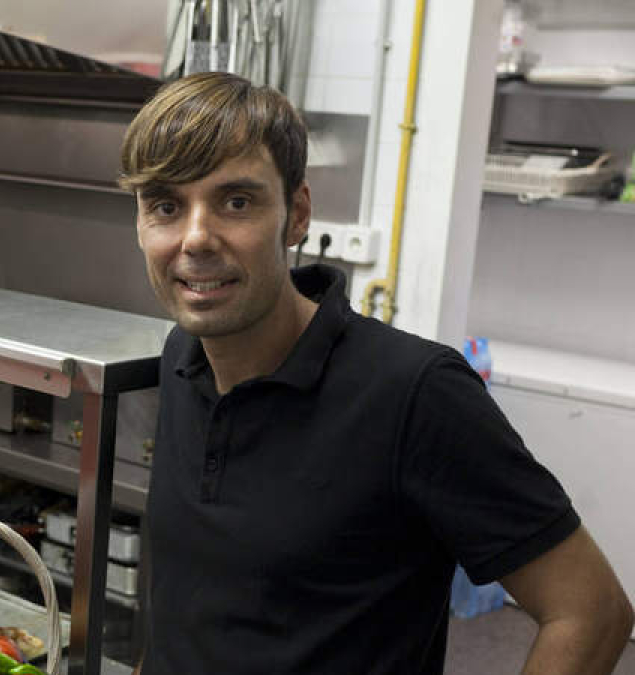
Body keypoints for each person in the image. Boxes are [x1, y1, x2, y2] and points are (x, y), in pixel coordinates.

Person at [118, 73, 633, 674]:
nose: (197, 237)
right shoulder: (186, 355)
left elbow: (590, 612)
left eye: (236, 201)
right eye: (165, 206)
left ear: (297, 214)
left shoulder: (414, 393)